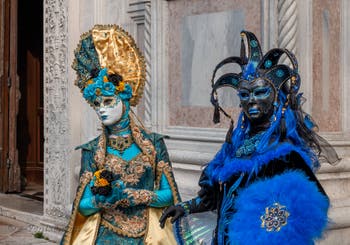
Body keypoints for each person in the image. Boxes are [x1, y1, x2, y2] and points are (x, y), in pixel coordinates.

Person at [159, 30, 339, 245]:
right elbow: (219, 195)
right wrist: (187, 207)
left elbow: (312, 204)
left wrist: (268, 231)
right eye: (244, 95)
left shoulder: (282, 151)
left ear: (276, 99)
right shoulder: (235, 146)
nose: (251, 100)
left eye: (260, 92)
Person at [61, 24, 180, 245]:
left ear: (125, 100)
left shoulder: (153, 144)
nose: (101, 109)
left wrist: (135, 196)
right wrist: (102, 201)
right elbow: (83, 205)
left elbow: (169, 195)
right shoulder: (92, 150)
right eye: (97, 104)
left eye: (108, 102)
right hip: (105, 234)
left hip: (149, 234)